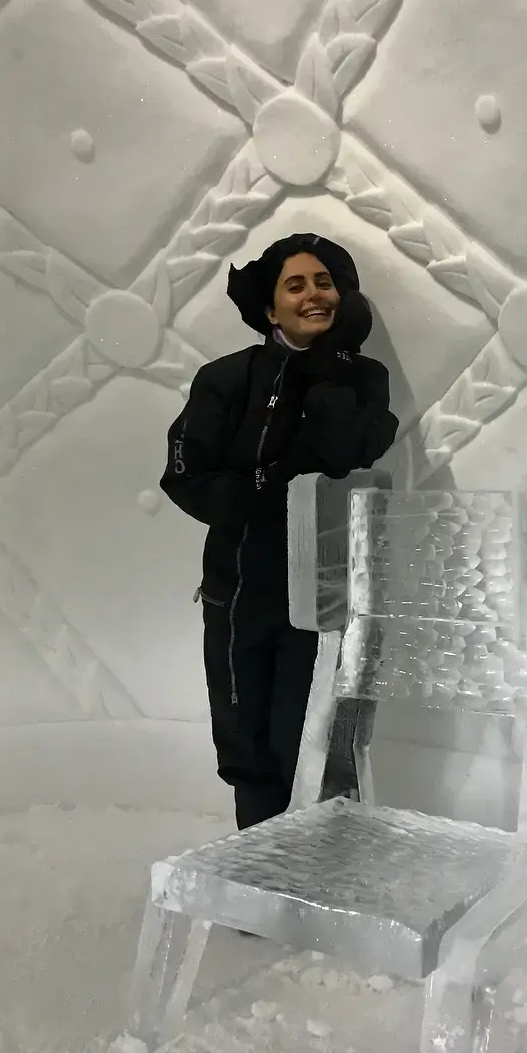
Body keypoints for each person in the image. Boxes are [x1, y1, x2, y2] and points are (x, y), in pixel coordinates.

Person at [160, 234, 398, 830]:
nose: (314, 294)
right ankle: (258, 861)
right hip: (241, 594)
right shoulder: (226, 379)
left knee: (317, 741)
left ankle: (320, 864)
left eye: (325, 283)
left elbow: (348, 450)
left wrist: (328, 368)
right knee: (248, 744)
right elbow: (186, 478)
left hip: (328, 600)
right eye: (296, 285)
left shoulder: (363, 379)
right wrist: (268, 486)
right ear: (270, 309)